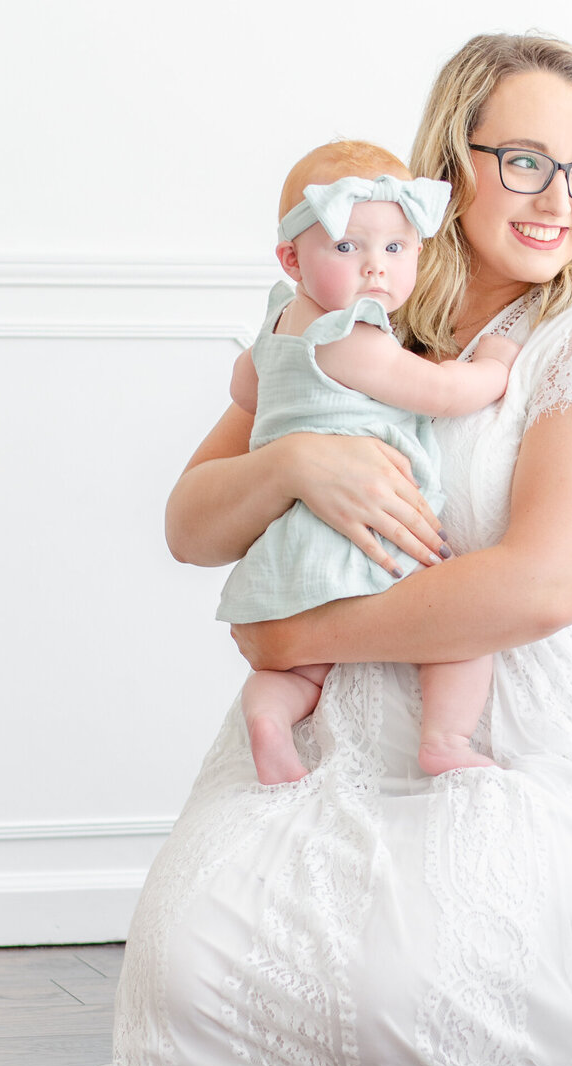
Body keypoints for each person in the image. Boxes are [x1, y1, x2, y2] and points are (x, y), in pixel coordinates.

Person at [91, 32, 572, 1066]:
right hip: (334, 720)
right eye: (525, 160)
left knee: (411, 999)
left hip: (507, 719)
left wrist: (295, 638)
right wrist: (292, 458)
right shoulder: (349, 308)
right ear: (448, 166)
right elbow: (190, 525)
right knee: (182, 981)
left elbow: (542, 587)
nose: (562, 196)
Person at [219, 139, 518, 784]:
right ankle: (444, 737)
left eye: (395, 248)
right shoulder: (350, 334)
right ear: (292, 259)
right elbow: (440, 395)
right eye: (348, 248)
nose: (375, 270)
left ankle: (270, 720)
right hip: (368, 531)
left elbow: (245, 390)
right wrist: (492, 367)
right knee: (462, 632)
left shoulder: (280, 322)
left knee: (297, 672)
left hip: (299, 532)